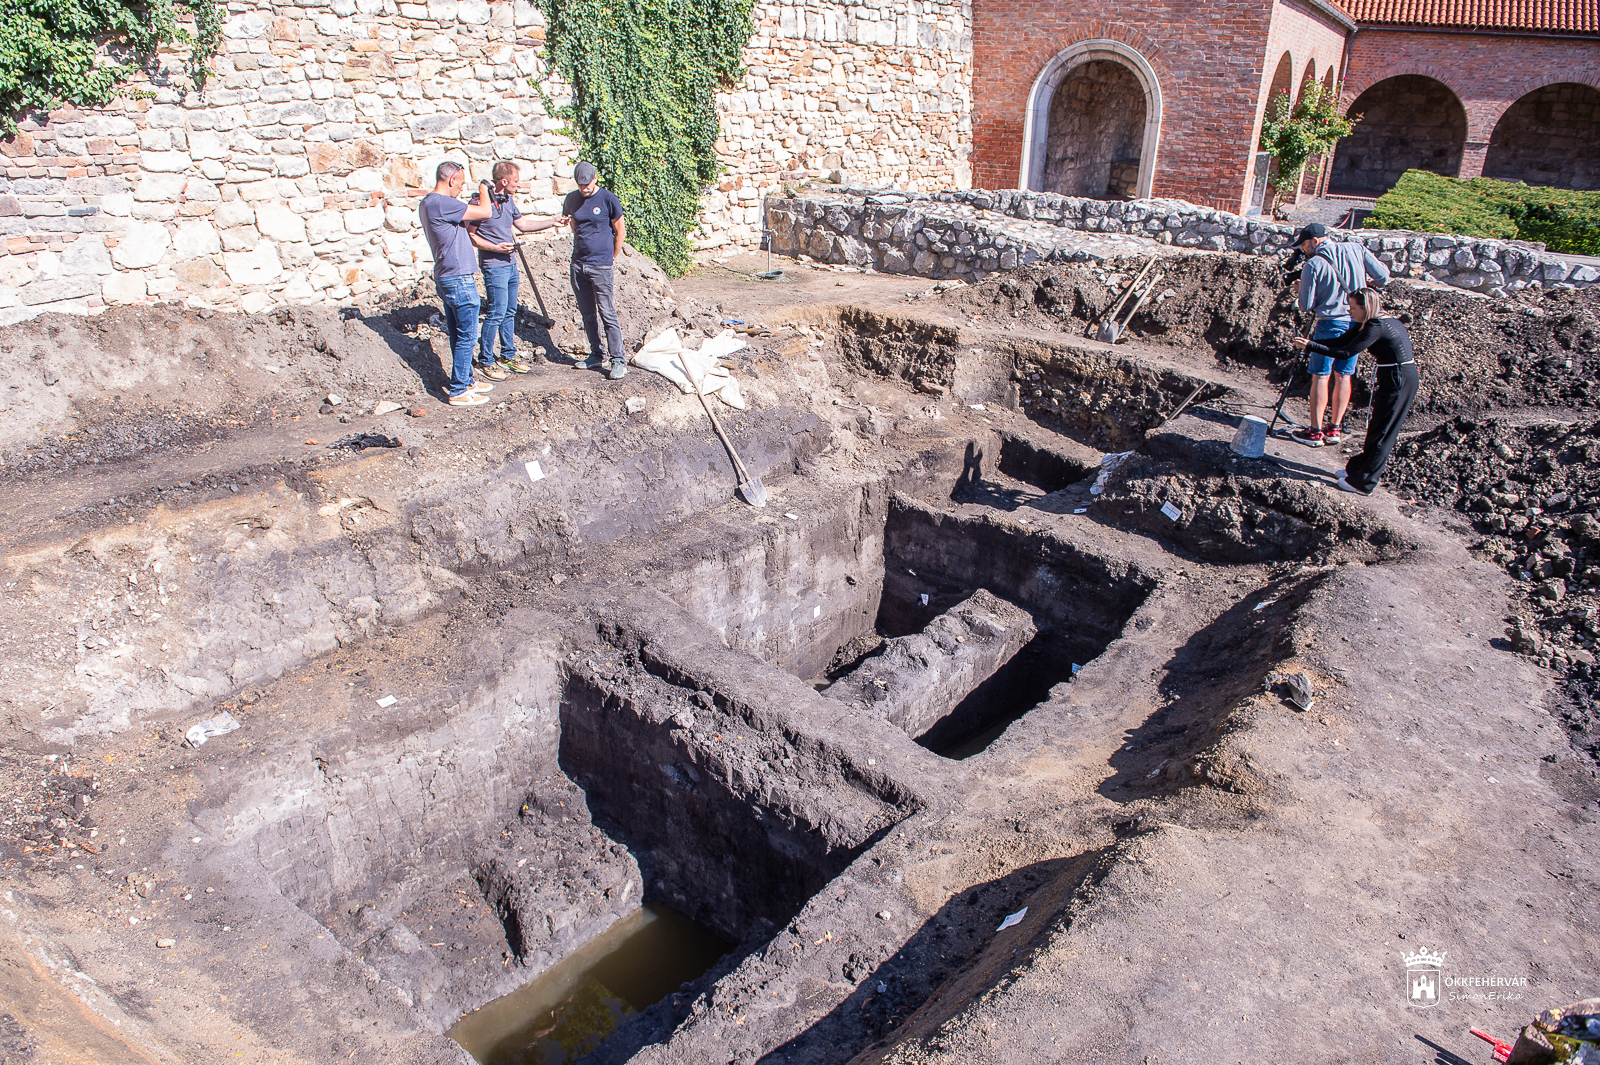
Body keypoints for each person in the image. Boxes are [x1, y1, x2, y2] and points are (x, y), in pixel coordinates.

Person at [1293, 288, 1418, 496]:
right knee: (1377, 427)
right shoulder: (1372, 321)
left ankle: (1364, 483)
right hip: (1395, 377)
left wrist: (1311, 348)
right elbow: (1342, 341)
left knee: (1384, 432)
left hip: (1400, 379)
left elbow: (1346, 352)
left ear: (1365, 307)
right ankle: (1356, 470)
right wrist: (1312, 344)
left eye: (1353, 308)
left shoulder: (1376, 326)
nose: (1350, 312)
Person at [1291, 222, 1390, 447]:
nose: (1303, 250)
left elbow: (1306, 306)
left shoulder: (1313, 264)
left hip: (1329, 324)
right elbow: (1383, 276)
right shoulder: (1356, 248)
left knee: (1321, 375)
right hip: (1358, 323)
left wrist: (1300, 290)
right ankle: (1334, 429)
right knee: (1344, 375)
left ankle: (1315, 433)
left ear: (1315, 241)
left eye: (1304, 245)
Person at [467, 160, 567, 378]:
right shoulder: (479, 204)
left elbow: (522, 225)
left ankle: (507, 355)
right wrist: (495, 247)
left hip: (510, 264)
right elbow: (471, 235)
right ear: (504, 181)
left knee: (510, 311)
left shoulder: (508, 201)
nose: (518, 184)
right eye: (516, 180)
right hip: (494, 267)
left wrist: (552, 221)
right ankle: (486, 360)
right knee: (496, 312)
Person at [419, 161, 495, 406]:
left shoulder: (428, 203)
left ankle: (467, 380)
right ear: (451, 179)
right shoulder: (443, 203)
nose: (461, 189)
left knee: (457, 333)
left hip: (447, 275)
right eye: (461, 183)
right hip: (458, 277)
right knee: (467, 335)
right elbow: (486, 212)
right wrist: (484, 191)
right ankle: (459, 389)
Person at [561, 161, 628, 380]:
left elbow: (620, 231)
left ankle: (618, 359)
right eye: (580, 185)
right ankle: (596, 355)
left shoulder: (608, 199)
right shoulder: (571, 199)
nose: (584, 189)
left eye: (587, 184)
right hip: (578, 264)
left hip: (601, 266)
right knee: (587, 313)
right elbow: (574, 226)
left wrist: (611, 257)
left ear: (595, 178)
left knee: (607, 312)